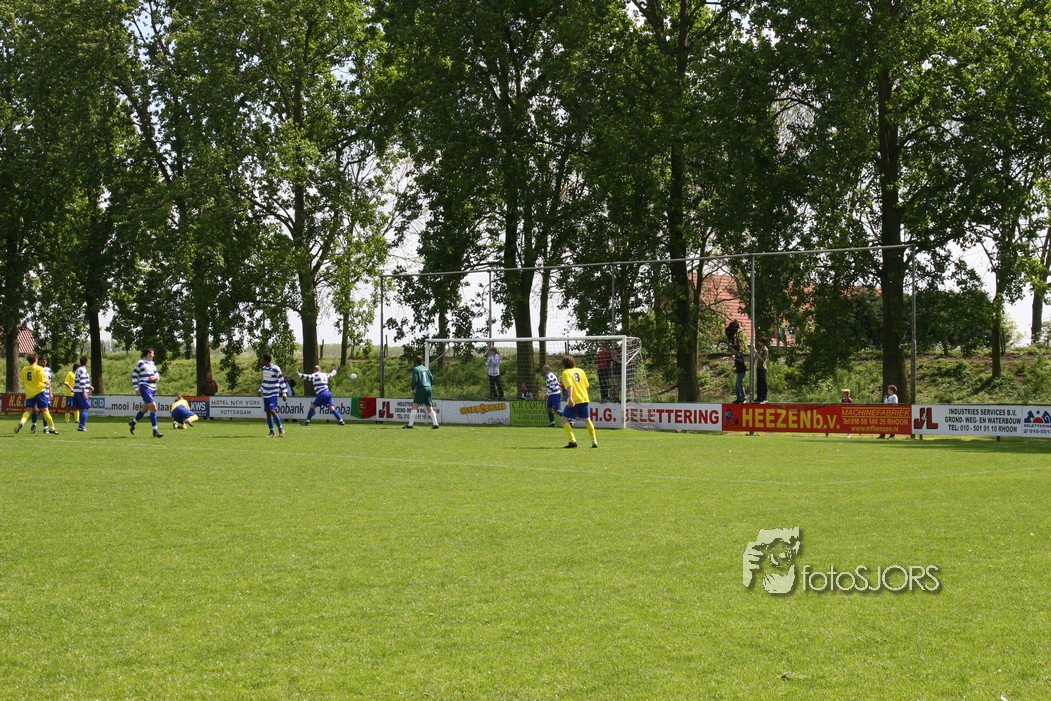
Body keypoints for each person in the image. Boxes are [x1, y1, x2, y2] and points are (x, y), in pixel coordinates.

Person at [14, 353, 58, 435]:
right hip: (39, 392)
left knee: (29, 410)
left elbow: (23, 382)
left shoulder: (24, 369)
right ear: (36, 360)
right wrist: (48, 383)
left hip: (29, 393)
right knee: (45, 410)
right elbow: (43, 380)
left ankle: (22, 422)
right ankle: (52, 428)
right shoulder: (39, 369)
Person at [559, 354, 597, 448]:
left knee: (564, 419)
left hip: (575, 400)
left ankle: (572, 441)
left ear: (564, 364)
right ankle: (594, 441)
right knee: (587, 419)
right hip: (584, 398)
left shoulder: (566, 372)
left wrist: (571, 398)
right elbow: (586, 385)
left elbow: (569, 386)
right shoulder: (580, 371)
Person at [129, 347, 163, 438]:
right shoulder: (141, 363)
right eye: (152, 353)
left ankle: (133, 423)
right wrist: (136, 388)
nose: (153, 355)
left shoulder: (153, 364)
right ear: (148, 353)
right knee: (154, 408)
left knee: (144, 409)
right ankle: (155, 430)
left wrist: (155, 377)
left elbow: (157, 375)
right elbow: (134, 375)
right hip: (144, 387)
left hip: (152, 388)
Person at [404, 355, 439, 429]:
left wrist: (413, 388)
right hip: (428, 387)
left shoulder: (416, 369)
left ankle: (410, 425)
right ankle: (435, 424)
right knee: (429, 406)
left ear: (416, 362)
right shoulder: (426, 369)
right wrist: (429, 385)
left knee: (414, 406)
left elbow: (415, 380)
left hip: (421, 388)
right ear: (422, 361)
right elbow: (431, 378)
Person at [258, 353, 288, 437]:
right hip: (266, 392)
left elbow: (281, 380)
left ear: (266, 360)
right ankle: (272, 432)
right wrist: (260, 389)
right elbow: (265, 381)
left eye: (262, 359)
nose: (261, 361)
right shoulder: (264, 369)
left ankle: (281, 430)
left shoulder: (276, 368)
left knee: (272, 410)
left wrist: (284, 393)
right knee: (268, 412)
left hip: (274, 392)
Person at [29, 356, 55, 433]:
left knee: (45, 410)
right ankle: (34, 424)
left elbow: (49, 382)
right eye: (42, 361)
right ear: (38, 361)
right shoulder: (35, 368)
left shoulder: (49, 370)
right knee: (35, 409)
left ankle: (45, 427)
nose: (44, 362)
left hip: (45, 392)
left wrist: (50, 393)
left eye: (45, 361)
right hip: (37, 391)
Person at [73, 356, 93, 432]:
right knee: (85, 409)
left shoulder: (78, 369)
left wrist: (88, 386)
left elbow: (79, 381)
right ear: (86, 362)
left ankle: (81, 426)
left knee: (82, 409)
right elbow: (82, 382)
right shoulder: (83, 370)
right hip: (81, 392)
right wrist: (84, 392)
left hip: (77, 391)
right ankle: (82, 426)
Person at [755, 337, 769, 404]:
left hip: (762, 368)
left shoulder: (765, 350)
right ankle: (759, 397)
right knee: (759, 383)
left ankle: (764, 397)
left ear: (762, 342)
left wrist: (757, 354)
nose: (759, 343)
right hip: (758, 367)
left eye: (760, 341)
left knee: (763, 383)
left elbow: (763, 360)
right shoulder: (761, 349)